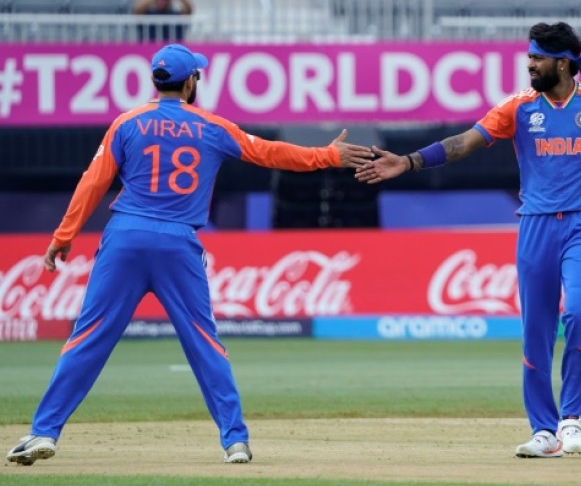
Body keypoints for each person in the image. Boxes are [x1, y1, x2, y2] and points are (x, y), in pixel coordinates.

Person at [5, 44, 373, 466]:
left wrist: (63, 236)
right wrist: (327, 155)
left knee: (89, 338)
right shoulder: (211, 126)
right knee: (203, 343)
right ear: (191, 81)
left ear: (154, 81)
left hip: (125, 238)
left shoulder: (127, 123)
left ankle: (43, 431)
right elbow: (271, 152)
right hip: (177, 243)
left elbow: (93, 183)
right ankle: (235, 441)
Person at [355, 22, 581, 457]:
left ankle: (571, 419)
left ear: (564, 63)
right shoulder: (518, 107)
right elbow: (464, 143)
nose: (529, 64)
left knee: (579, 314)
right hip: (535, 224)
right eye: (529, 56)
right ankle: (544, 431)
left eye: (537, 58)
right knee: (535, 332)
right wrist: (409, 161)